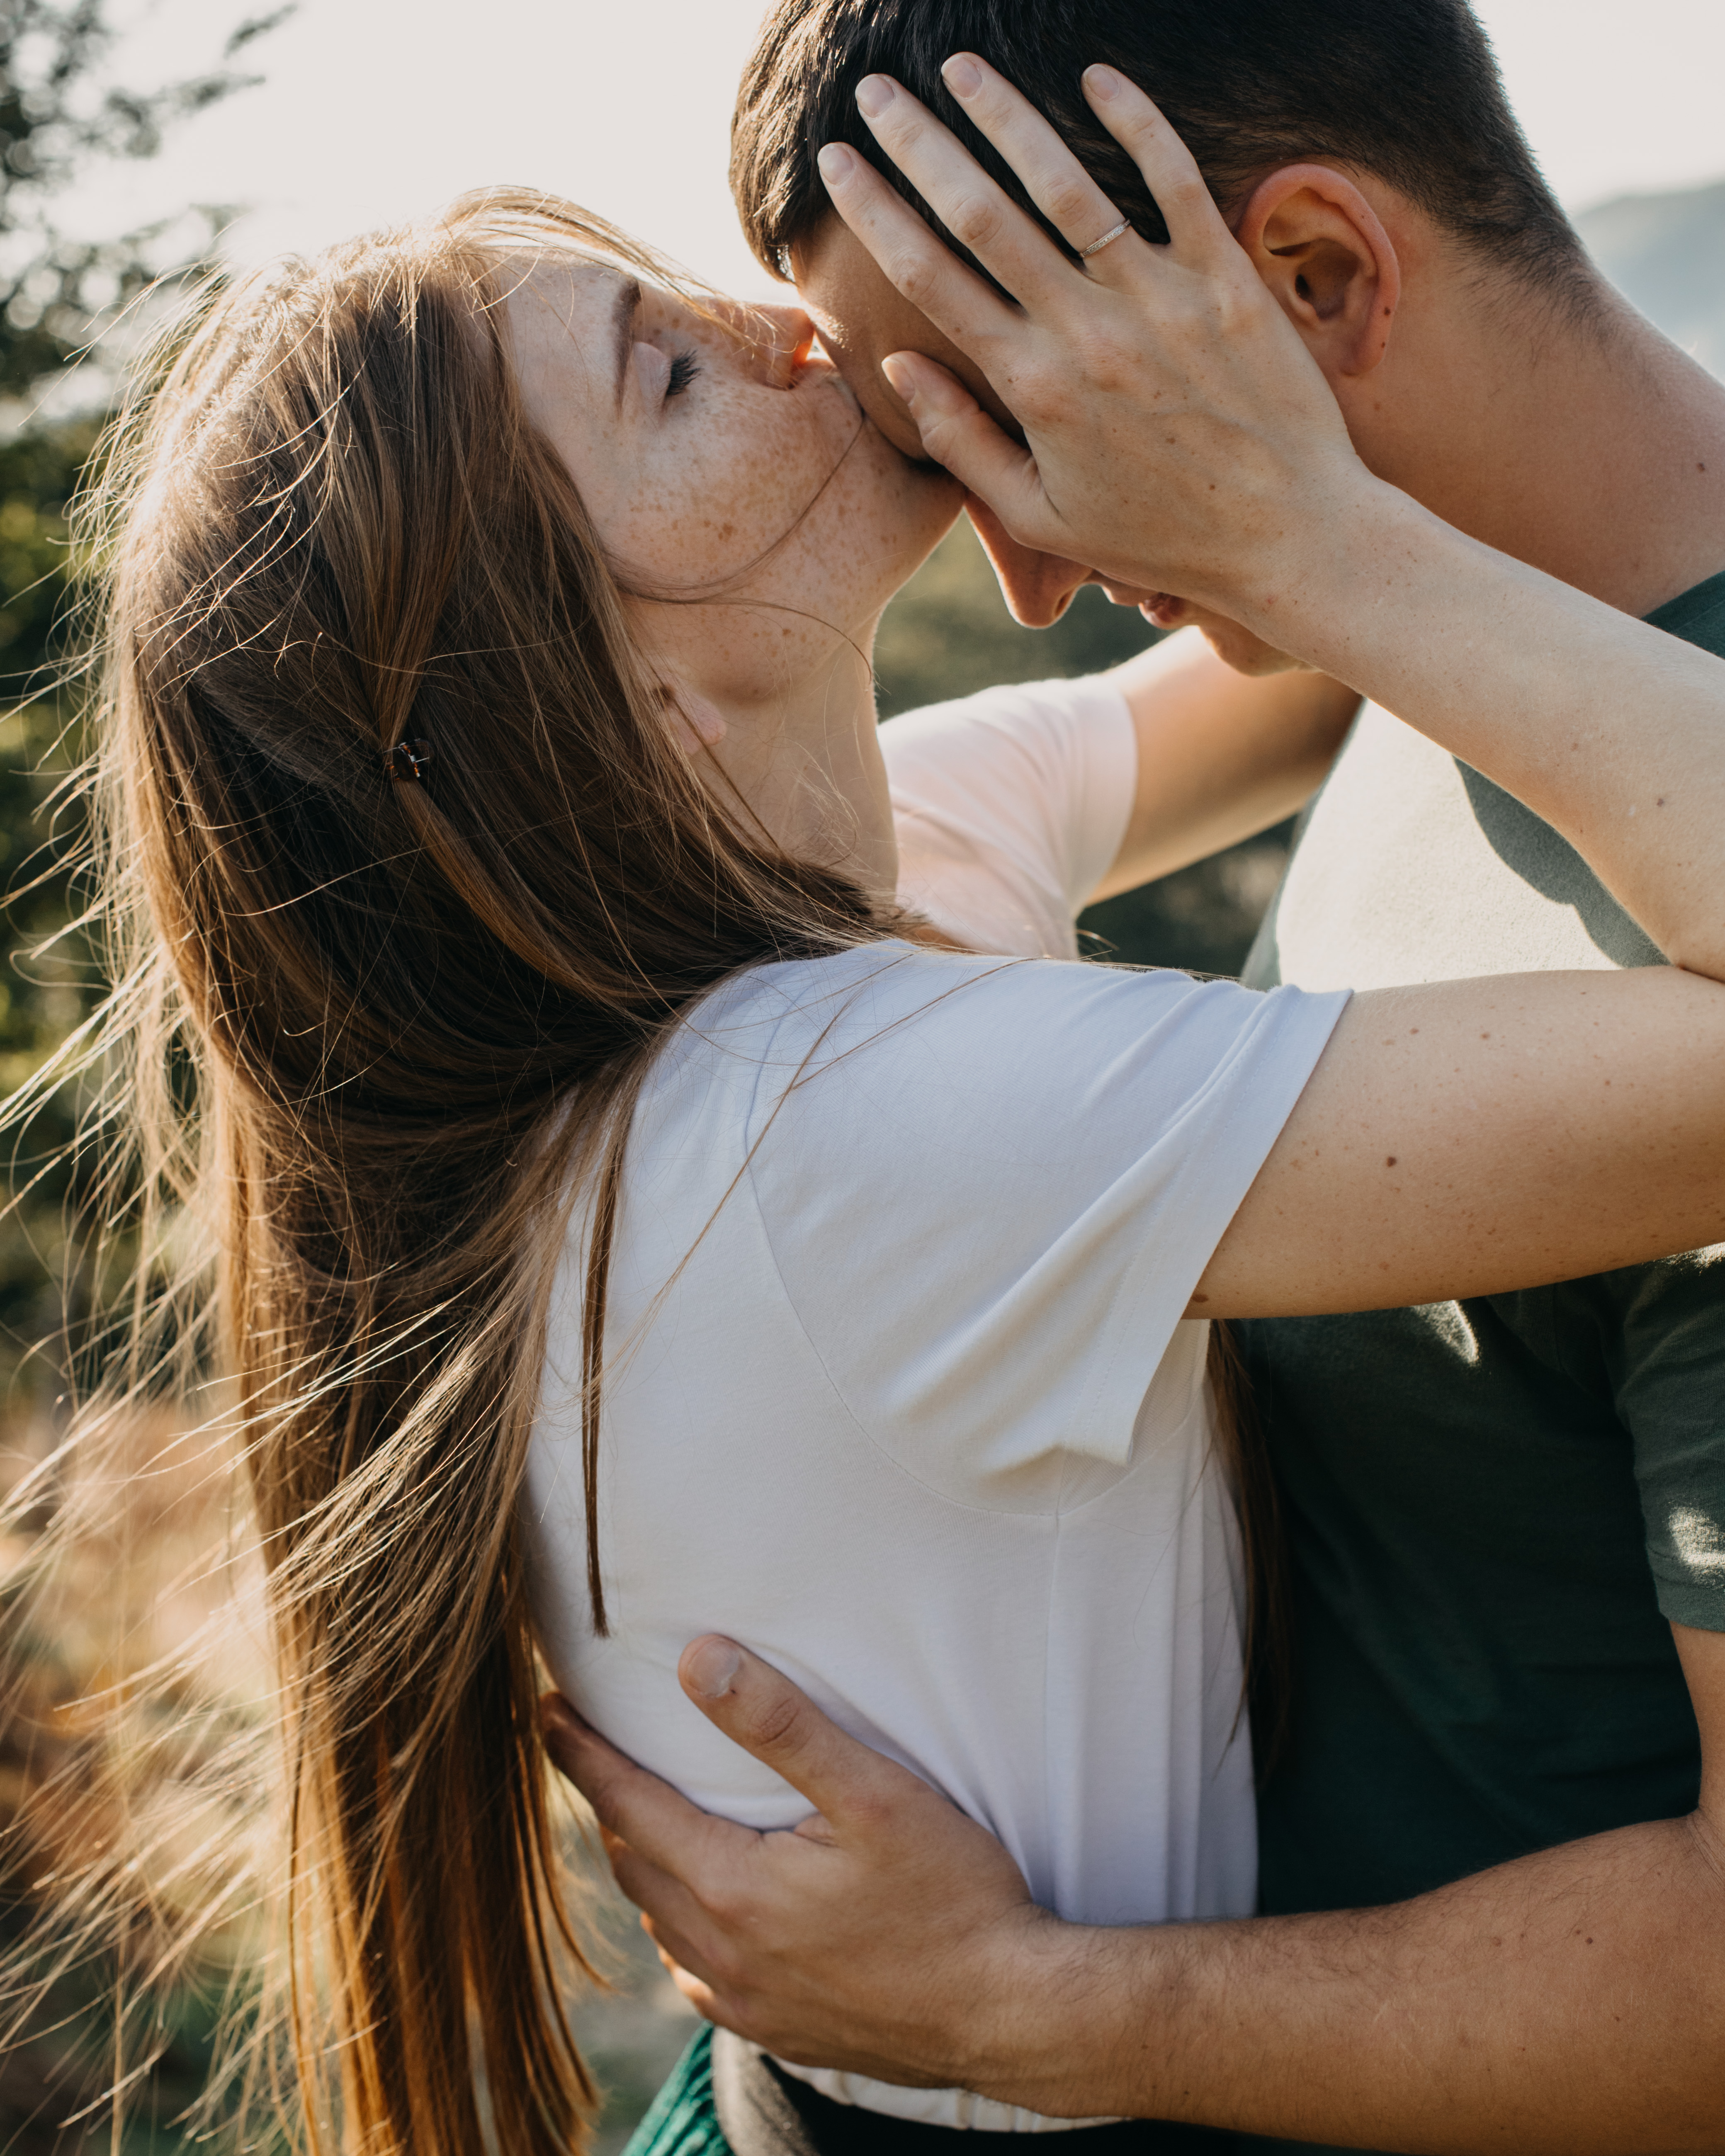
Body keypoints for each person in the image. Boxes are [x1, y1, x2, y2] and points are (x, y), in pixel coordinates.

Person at [54, 121, 1725, 2156]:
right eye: (668, 370)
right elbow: (1358, 610)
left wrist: (1225, 455)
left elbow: (1314, 667)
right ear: (610, 700)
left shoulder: (852, 867)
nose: (777, 327)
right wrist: (1308, 524)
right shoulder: (842, 1125)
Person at [549, 19, 1725, 2156]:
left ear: (1308, 285)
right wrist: (1316, 552)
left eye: (1019, 412)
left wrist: (1031, 2012)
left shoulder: (1383, 593)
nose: (1016, 569)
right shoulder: (1417, 620)